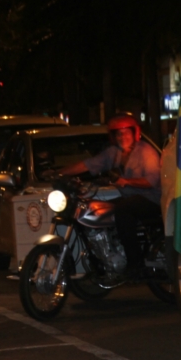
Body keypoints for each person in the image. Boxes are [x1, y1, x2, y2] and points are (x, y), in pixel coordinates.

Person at [59, 114, 161, 278]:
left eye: (126, 133)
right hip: (131, 198)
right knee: (96, 209)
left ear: (135, 133)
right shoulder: (114, 153)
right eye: (118, 134)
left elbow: (152, 181)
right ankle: (106, 255)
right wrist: (59, 173)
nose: (122, 137)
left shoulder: (146, 152)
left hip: (151, 199)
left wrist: (126, 181)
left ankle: (135, 264)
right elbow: (88, 164)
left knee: (122, 210)